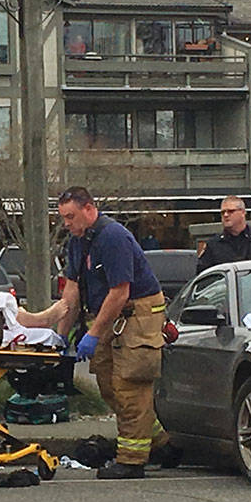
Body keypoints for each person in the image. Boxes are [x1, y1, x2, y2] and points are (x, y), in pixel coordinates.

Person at [51, 186, 165, 480]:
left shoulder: (113, 238)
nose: (66, 223)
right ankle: (161, 444)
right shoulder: (78, 242)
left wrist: (93, 334)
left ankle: (131, 460)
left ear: (89, 209)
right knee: (108, 385)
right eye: (63, 217)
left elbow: (120, 292)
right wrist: (60, 335)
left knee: (130, 387)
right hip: (110, 315)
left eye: (70, 216)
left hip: (136, 314)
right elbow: (72, 291)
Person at [196, 195, 251, 273]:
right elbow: (203, 276)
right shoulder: (213, 245)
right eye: (223, 212)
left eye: (231, 211)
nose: (225, 215)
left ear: (243, 213)